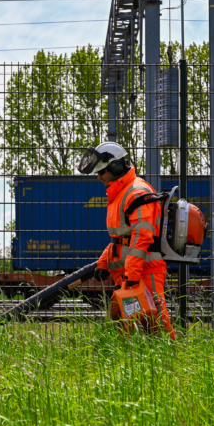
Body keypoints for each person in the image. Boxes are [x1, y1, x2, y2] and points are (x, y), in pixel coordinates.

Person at [78, 141, 176, 339]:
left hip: (143, 272)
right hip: (129, 274)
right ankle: (129, 366)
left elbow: (142, 237)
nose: (99, 177)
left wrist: (132, 274)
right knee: (126, 330)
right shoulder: (121, 193)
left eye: (102, 171)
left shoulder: (136, 192)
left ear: (115, 167)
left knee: (156, 326)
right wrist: (104, 261)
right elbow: (121, 237)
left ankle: (171, 364)